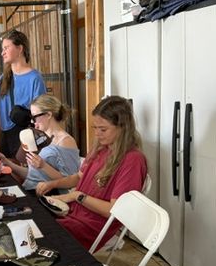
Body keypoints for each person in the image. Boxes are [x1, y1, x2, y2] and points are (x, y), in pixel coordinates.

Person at [36, 96, 147, 251]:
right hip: (72, 215)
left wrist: (77, 196)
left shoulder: (132, 160)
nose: (97, 134)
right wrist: (52, 184)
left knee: (38, 238)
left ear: (122, 127)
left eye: (103, 129)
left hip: (90, 227)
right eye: (95, 128)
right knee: (32, 221)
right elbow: (78, 177)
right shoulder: (102, 149)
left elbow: (114, 211)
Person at [0, 94, 80, 191]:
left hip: (50, 196)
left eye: (35, 117)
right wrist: (7, 163)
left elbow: (71, 182)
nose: (32, 121)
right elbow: (34, 176)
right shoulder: (40, 137)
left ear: (48, 115)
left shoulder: (65, 141)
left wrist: (44, 166)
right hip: (31, 190)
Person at [0, 29, 46, 158]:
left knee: (23, 175)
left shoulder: (35, 78)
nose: (2, 52)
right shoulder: (3, 79)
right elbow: (1, 113)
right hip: (6, 137)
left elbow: (41, 115)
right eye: (2, 49)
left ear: (20, 49)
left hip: (25, 135)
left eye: (6, 48)